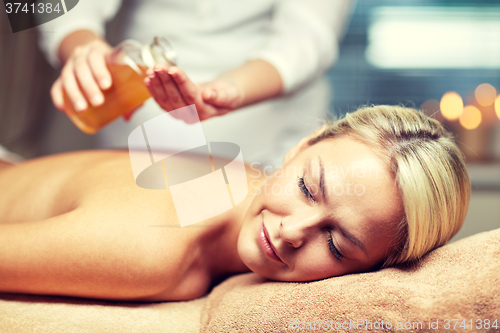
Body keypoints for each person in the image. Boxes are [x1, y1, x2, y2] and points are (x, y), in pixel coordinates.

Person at [0, 105, 470, 301]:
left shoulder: (235, 179)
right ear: (303, 144)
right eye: (308, 188)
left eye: (335, 242)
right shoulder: (150, 248)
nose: (291, 232)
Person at [38, 0, 355, 167]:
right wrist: (81, 44)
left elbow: (308, 38)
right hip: (137, 122)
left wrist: (230, 89)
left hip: (264, 128)